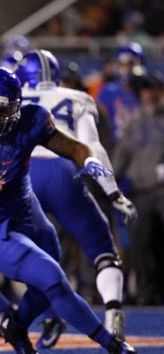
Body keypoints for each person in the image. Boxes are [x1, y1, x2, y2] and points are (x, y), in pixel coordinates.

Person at [0, 66, 135, 354]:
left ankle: (16, 326)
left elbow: (77, 148)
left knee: (47, 284)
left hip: (28, 213)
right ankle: (113, 344)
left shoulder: (31, 121)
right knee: (53, 278)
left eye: (5, 111)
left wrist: (89, 161)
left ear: (17, 108)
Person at [14, 49, 136, 345]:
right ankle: (113, 310)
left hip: (21, 174)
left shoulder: (13, 94)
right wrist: (112, 190)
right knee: (101, 245)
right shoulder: (77, 98)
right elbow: (91, 146)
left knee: (24, 251)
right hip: (63, 171)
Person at [113, 73, 164, 306]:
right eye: (145, 90)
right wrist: (110, 179)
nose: (149, 94)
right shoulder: (135, 121)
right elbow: (122, 154)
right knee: (140, 242)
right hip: (140, 191)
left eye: (153, 89)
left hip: (162, 190)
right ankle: (146, 291)